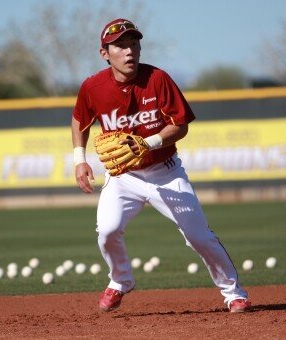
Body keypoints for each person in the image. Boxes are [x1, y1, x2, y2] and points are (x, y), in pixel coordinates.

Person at [71, 18, 251, 313]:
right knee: (107, 230)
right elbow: (80, 119)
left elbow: (181, 126)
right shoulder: (93, 87)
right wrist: (79, 159)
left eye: (134, 44)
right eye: (120, 46)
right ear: (105, 53)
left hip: (165, 173)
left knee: (198, 237)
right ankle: (120, 281)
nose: (129, 51)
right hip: (123, 176)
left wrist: (149, 143)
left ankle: (234, 293)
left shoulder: (157, 79)